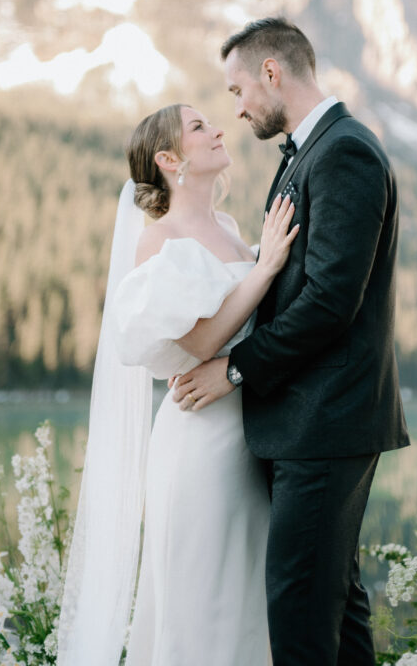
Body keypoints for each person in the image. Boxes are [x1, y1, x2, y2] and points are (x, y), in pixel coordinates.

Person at [173, 17, 410, 666]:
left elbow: (331, 302)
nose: (238, 108)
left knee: (300, 618)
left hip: (324, 422)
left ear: (271, 72)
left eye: (237, 90)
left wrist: (236, 367)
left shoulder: (344, 152)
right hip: (312, 422)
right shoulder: (315, 151)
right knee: (335, 606)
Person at [57, 102, 299, 666]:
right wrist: (264, 268)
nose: (217, 129)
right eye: (199, 127)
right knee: (202, 597)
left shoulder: (232, 227)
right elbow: (199, 344)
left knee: (244, 598)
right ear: (170, 159)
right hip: (202, 440)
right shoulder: (158, 241)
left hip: (251, 430)